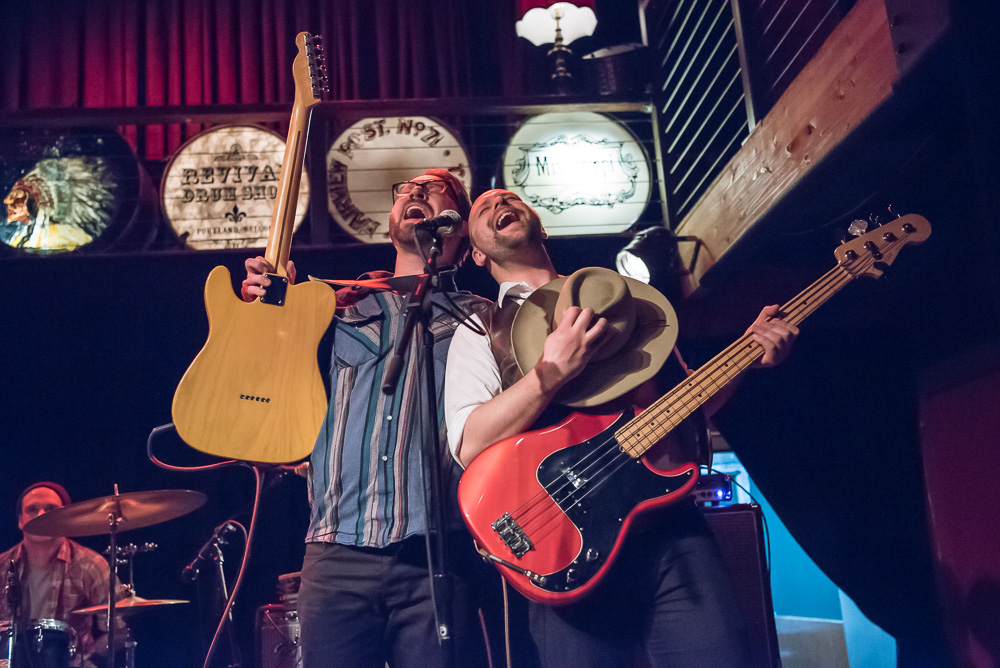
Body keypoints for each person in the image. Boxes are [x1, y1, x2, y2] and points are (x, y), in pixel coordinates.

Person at [444, 189, 799, 667]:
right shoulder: (479, 327)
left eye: (510, 199)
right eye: (483, 209)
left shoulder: (628, 301)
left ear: (541, 226)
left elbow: (688, 405)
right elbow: (470, 444)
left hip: (668, 526)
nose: (498, 204)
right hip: (562, 541)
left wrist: (748, 357)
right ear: (477, 254)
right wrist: (550, 372)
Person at [242, 169, 491, 668]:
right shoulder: (336, 306)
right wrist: (264, 310)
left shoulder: (484, 317)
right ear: (392, 220)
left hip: (438, 553)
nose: (416, 192)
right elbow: (265, 381)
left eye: (436, 188)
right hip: (337, 553)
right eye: (407, 189)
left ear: (463, 233)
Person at [0, 482, 122, 668]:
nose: (40, 516)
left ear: (65, 517)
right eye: (32, 509)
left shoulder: (91, 566)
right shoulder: (2, 566)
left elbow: (117, 630)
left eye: (50, 509)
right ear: (20, 520)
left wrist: (91, 654)